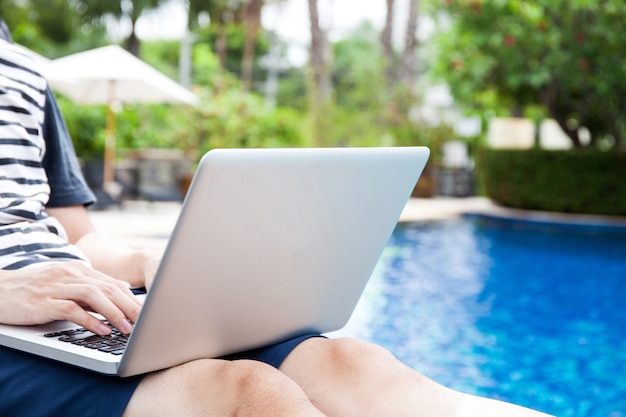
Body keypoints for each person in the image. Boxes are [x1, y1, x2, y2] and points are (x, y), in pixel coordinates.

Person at [0, 35, 553, 417]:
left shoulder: (25, 73)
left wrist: (150, 263)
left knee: (350, 364)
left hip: (81, 308)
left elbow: (78, 236)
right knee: (246, 394)